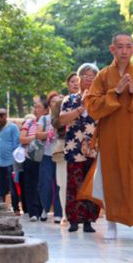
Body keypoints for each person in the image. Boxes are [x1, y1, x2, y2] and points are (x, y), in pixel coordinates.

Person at [83, 32, 133, 242]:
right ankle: (111, 225)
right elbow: (92, 106)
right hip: (111, 137)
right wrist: (115, 92)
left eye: (128, 46)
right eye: (120, 46)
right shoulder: (103, 77)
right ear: (112, 49)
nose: (124, 51)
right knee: (112, 179)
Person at [59, 63, 100, 233]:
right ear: (79, 78)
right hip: (74, 148)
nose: (89, 80)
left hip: (93, 148)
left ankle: (89, 221)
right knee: (74, 185)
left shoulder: (99, 100)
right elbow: (62, 120)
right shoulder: (69, 100)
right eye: (86, 76)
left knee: (90, 184)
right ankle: (74, 220)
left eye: (92, 77)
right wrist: (81, 107)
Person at [52, 73, 80, 224]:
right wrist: (71, 116)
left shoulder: (89, 100)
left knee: (80, 181)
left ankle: (80, 215)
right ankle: (65, 214)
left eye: (78, 81)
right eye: (72, 81)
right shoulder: (60, 103)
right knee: (63, 182)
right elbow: (56, 122)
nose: (75, 84)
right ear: (68, 84)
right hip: (64, 143)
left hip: (83, 146)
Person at [36, 91, 63, 223]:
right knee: (45, 184)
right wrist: (49, 133)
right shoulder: (44, 119)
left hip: (60, 156)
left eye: (59, 101)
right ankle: (45, 209)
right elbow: (38, 134)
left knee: (59, 185)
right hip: (47, 156)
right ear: (49, 104)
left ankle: (58, 212)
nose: (56, 104)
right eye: (53, 101)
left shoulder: (64, 117)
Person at [20, 100, 49, 221]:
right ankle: (33, 212)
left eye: (39, 107)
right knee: (30, 185)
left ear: (46, 110)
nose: (35, 109)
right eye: (35, 107)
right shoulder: (29, 122)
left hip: (45, 157)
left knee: (43, 184)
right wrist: (36, 136)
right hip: (30, 157)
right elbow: (22, 139)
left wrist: (37, 137)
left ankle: (43, 209)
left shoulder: (49, 122)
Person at [0, 108, 20, 211]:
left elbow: (16, 144)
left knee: (12, 186)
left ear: (6, 116)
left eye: (1, 116)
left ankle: (15, 208)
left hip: (11, 162)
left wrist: (16, 161)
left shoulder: (13, 128)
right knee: (0, 186)